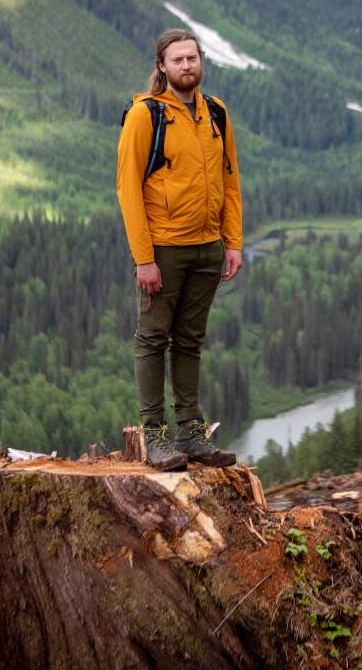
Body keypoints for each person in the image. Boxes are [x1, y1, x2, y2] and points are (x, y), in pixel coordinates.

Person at [116, 28, 243, 470]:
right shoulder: (145, 116)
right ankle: (155, 436)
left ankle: (191, 433)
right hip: (164, 249)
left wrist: (234, 242)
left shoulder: (216, 114)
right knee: (152, 339)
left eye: (192, 58)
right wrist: (144, 257)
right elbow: (127, 188)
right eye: (177, 60)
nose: (186, 66)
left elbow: (230, 181)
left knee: (190, 341)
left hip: (208, 247)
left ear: (200, 61)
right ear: (162, 67)